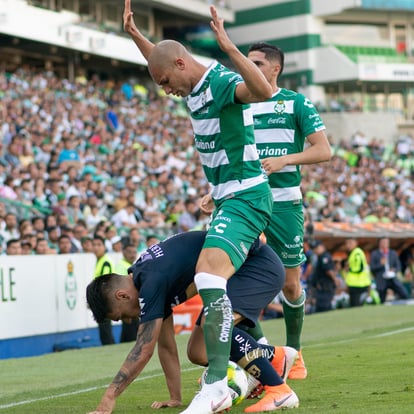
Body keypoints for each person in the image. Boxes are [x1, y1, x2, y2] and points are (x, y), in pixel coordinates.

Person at [123, 2, 273, 412]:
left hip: (247, 196)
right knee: (213, 282)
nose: (165, 88)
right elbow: (162, 57)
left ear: (181, 63)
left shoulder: (221, 80)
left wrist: (230, 48)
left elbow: (263, 92)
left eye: (166, 80)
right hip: (228, 196)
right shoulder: (186, 79)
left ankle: (216, 384)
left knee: (208, 276)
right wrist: (137, 37)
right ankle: (270, 363)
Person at [200, 42, 332, 379]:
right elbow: (232, 152)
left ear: (275, 68)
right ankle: (260, 356)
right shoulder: (241, 99)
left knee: (290, 285)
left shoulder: (296, 103)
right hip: (244, 201)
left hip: (284, 204)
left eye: (256, 62)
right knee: (236, 283)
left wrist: (285, 159)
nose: (249, 65)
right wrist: (214, 191)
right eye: (247, 60)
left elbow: (324, 151)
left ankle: (295, 352)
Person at [86, 231, 299, 414]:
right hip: (243, 270)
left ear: (122, 296)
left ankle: (279, 390)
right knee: (198, 351)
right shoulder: (147, 279)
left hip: (257, 268)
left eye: (121, 316)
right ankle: (276, 356)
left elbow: (143, 349)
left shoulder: (150, 282)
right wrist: (175, 397)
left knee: (214, 327)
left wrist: (108, 399)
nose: (129, 320)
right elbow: (166, 346)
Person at [369, 237, 408, 303]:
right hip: (381, 279)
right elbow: (372, 268)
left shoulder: (393, 253)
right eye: (383, 242)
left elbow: (398, 266)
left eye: (386, 242)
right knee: (382, 298)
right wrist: (380, 264)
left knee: (403, 293)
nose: (385, 244)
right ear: (379, 243)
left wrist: (393, 270)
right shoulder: (375, 254)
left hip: (392, 278)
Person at [92, 235, 115, 345]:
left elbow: (105, 282)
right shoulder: (100, 260)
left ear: (104, 247)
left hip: (104, 300)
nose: (96, 248)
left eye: (99, 245)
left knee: (105, 328)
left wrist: (97, 299)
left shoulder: (105, 261)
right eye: (94, 245)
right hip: (102, 299)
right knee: (104, 327)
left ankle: (109, 346)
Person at [114, 242, 140, 342]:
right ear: (124, 253)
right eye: (130, 252)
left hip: (130, 301)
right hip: (128, 302)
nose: (133, 254)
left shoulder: (130, 265)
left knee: (129, 328)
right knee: (132, 327)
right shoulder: (122, 266)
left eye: (134, 252)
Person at [309, 240, 338, 312]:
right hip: (322, 287)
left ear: (322, 246)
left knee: (324, 307)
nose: (315, 250)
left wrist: (335, 279)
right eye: (314, 249)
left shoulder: (324, 256)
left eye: (316, 248)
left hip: (325, 287)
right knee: (321, 307)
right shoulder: (320, 257)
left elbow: (328, 270)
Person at [343, 238, 371, 307]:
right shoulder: (352, 253)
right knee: (353, 305)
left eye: (350, 243)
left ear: (356, 243)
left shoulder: (357, 252)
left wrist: (349, 269)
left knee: (356, 306)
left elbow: (360, 267)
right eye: (347, 243)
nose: (348, 245)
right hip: (355, 283)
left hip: (358, 283)